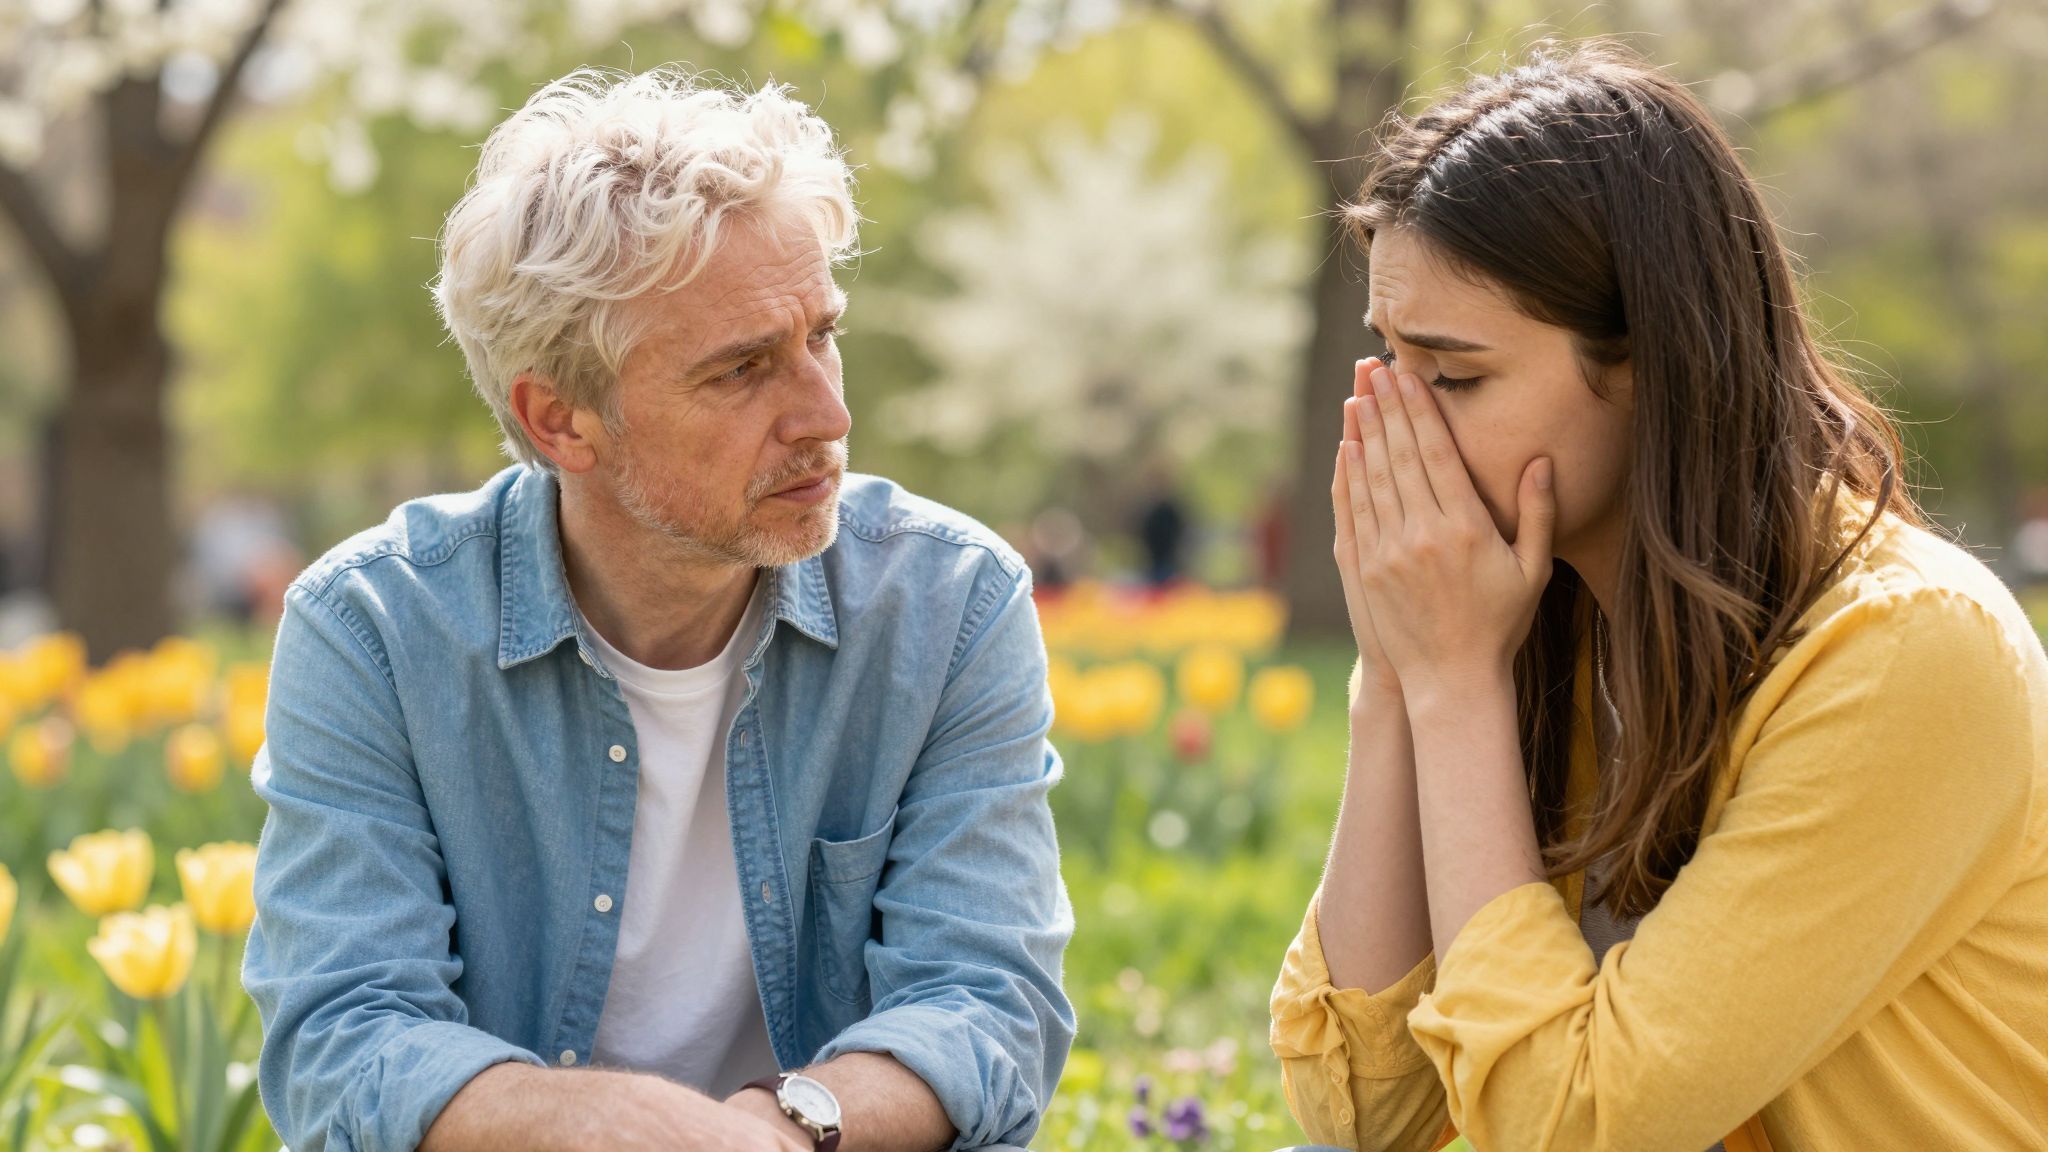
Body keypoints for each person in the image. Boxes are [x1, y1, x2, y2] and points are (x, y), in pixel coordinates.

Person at [241, 67, 1073, 1152]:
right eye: (742, 370)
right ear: (561, 421)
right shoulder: (372, 633)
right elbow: (342, 1038)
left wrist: (777, 1131)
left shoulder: (949, 605)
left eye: (821, 334)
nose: (826, 410)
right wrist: (610, 1131)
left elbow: (987, 1005)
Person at [1269, 40, 2048, 1152]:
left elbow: (1582, 1128)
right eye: (1386, 364)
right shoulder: (1526, 617)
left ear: (1647, 360)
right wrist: (1398, 677)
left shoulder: (1906, 652)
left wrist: (1449, 686)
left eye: (1453, 379)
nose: (1396, 433)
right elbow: (1363, 1110)